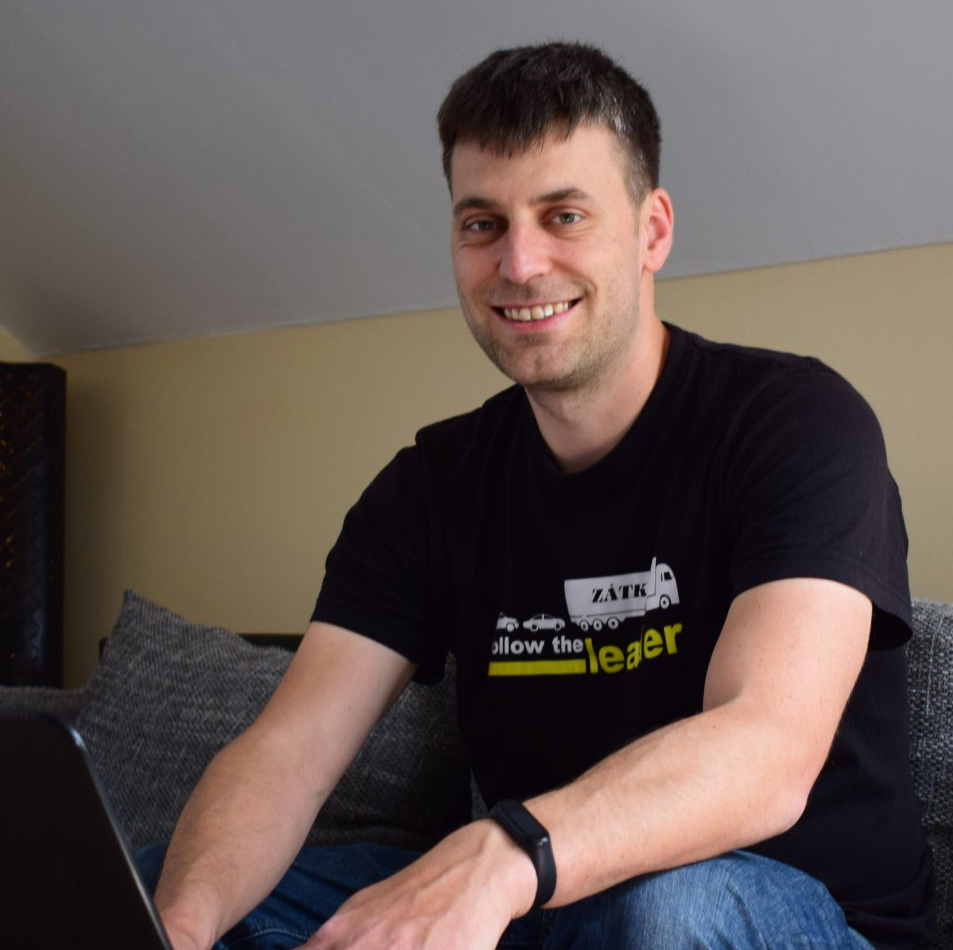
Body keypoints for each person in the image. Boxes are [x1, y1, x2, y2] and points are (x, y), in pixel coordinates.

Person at [147, 42, 935, 950]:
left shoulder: (794, 423)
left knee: (668, 910)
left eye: (563, 215)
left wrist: (501, 855)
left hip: (786, 909)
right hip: (546, 903)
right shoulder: (430, 488)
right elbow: (288, 753)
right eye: (482, 224)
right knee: (161, 881)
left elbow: (765, 749)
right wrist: (179, 927)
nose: (518, 264)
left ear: (650, 231)